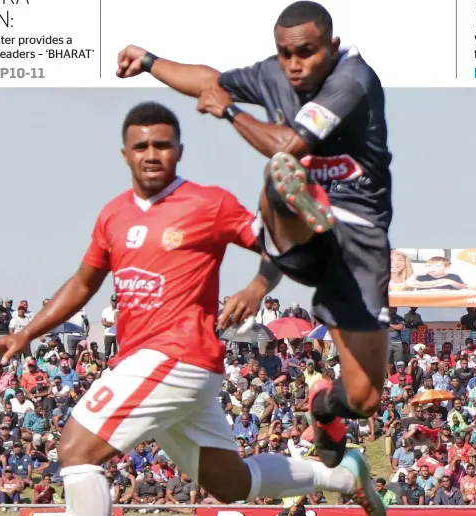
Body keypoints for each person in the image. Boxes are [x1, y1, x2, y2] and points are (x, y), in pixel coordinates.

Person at [0, 102, 384, 516]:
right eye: (142, 145)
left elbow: (274, 245)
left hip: (177, 356)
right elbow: (84, 284)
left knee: (77, 450)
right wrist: (26, 332)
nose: (153, 154)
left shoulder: (208, 204)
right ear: (125, 152)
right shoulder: (113, 215)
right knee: (232, 485)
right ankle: (339, 473)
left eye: (163, 144)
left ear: (179, 150)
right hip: (158, 366)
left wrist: (256, 287)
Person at [117, 0, 393, 470]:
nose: (294, 65)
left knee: (365, 398)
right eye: (285, 54)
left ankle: (325, 409)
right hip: (306, 230)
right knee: (280, 175)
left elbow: (286, 140)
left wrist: (230, 114)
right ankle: (293, 209)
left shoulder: (353, 81)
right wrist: (149, 61)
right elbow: (210, 82)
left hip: (360, 243)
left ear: (333, 45)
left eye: (306, 53)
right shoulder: (273, 75)